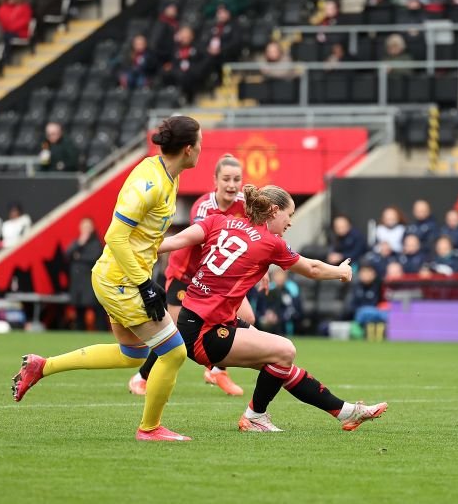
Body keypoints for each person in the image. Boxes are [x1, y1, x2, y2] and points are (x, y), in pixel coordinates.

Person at [12, 115, 202, 442]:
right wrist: (145, 285)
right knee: (174, 352)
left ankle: (42, 367)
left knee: (133, 354)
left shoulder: (168, 176)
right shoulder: (152, 183)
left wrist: (184, 243)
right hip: (121, 282)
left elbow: (145, 239)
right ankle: (150, 429)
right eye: (200, 143)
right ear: (187, 149)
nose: (201, 149)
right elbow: (115, 237)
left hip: (119, 277)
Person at [157, 183, 388, 432]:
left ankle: (346, 412)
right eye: (289, 215)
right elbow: (312, 268)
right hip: (205, 331)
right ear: (275, 211)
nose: (290, 222)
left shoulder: (218, 221)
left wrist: (135, 251)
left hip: (205, 320)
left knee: (280, 363)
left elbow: (177, 240)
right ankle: (255, 416)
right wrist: (342, 272)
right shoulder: (270, 243)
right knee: (284, 351)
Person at [127, 154, 253, 397]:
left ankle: (217, 369)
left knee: (247, 318)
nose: (231, 184)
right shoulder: (204, 207)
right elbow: (205, 241)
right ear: (215, 180)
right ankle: (141, 377)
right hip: (186, 275)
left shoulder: (244, 204)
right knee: (175, 332)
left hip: (217, 277)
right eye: (226, 178)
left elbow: (253, 238)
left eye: (237, 179)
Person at [66, 217, 104, 331]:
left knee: (97, 309)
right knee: (79, 311)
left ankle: (101, 331)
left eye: (88, 227)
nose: (85, 229)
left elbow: (94, 257)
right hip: (78, 283)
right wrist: (80, 243)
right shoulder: (77, 243)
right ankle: (79, 331)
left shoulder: (96, 243)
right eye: (83, 227)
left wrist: (78, 257)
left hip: (91, 282)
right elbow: (67, 254)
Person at [347, 263, 386, 341]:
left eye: (369, 272)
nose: (366, 274)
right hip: (359, 318)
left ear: (374, 274)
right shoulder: (355, 286)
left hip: (377, 315)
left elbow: (383, 303)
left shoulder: (379, 285)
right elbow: (351, 305)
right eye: (364, 272)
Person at [261, 267, 302, 336]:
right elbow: (262, 306)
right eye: (277, 275)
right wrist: (267, 315)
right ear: (273, 276)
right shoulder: (267, 290)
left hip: (285, 322)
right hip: (268, 321)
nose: (279, 278)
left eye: (282, 275)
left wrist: (279, 317)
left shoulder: (290, 290)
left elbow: (294, 310)